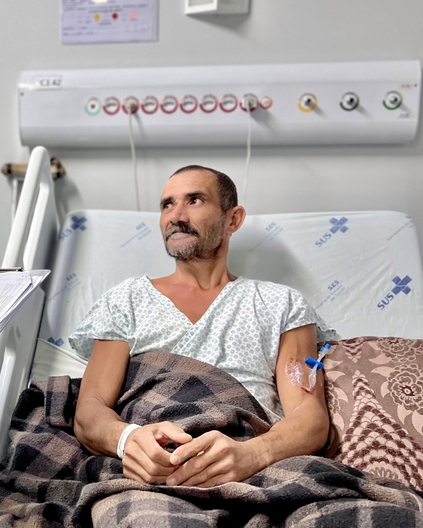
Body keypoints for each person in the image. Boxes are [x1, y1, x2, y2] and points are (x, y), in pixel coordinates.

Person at [69, 165, 338, 489]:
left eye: (194, 200)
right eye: (167, 204)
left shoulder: (282, 304)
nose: (175, 216)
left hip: (250, 468)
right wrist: (127, 439)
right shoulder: (127, 300)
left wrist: (252, 454)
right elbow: (90, 409)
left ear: (233, 219)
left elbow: (309, 419)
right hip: (148, 472)